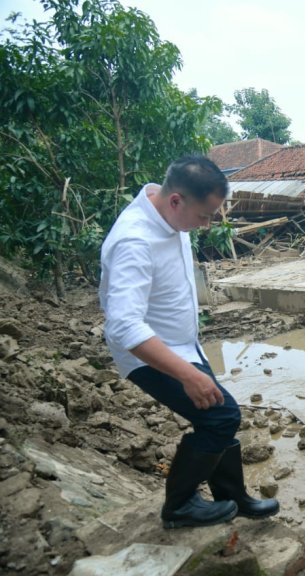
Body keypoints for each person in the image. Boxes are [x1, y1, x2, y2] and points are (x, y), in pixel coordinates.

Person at [99, 155, 279, 529]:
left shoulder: (168, 213)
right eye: (204, 216)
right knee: (222, 416)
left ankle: (232, 497)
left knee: (218, 415)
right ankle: (179, 507)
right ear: (177, 200)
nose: (206, 224)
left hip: (184, 346)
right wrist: (187, 375)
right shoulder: (134, 240)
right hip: (149, 353)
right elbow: (123, 326)